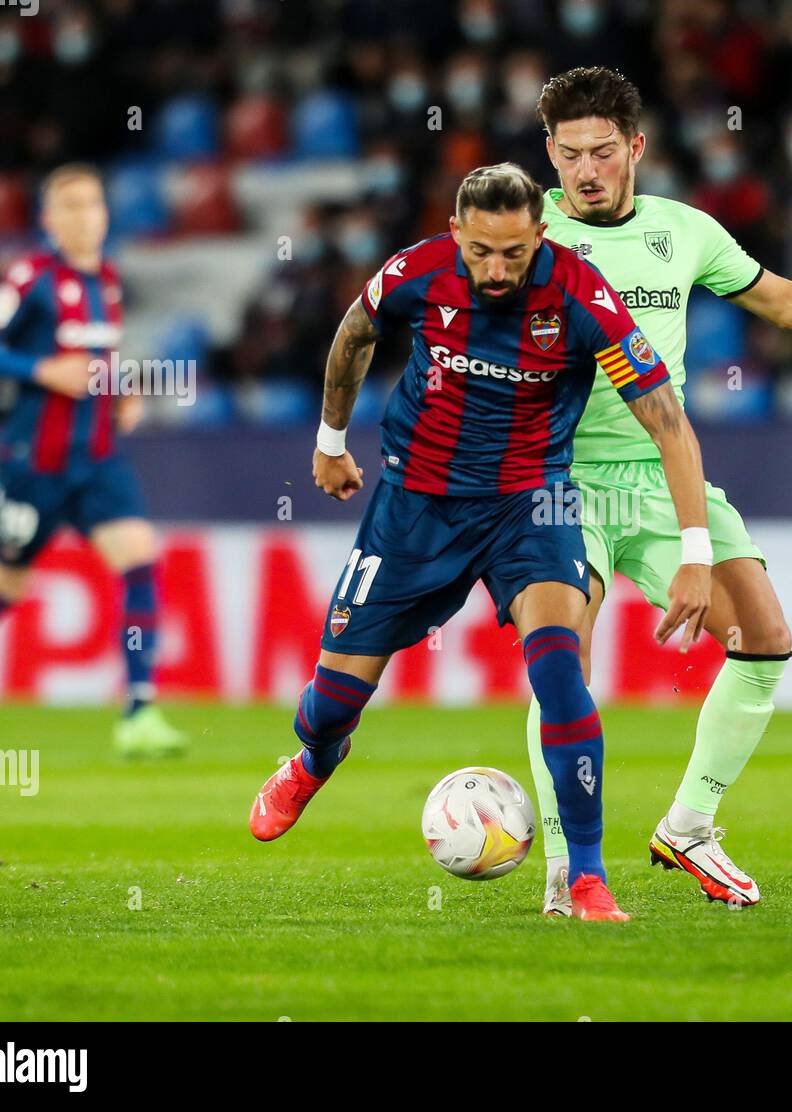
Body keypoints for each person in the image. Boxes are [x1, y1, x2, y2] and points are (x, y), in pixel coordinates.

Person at [529, 67, 792, 914]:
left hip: (664, 473)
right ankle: (564, 864)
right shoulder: (521, 230)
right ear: (549, 153)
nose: (586, 169)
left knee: (764, 637)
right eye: (570, 153)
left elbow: (786, 303)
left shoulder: (685, 232)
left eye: (604, 152)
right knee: (561, 663)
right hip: (555, 482)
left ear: (637, 150)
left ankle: (688, 825)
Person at [246, 163, 714, 923]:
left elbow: (666, 419)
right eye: (481, 252)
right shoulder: (420, 270)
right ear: (458, 232)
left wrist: (696, 554)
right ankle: (312, 760)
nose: (496, 271)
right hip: (416, 506)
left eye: (514, 254)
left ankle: (587, 877)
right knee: (330, 704)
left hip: (533, 501)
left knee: (561, 671)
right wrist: (330, 440)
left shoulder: (581, 295)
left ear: (541, 235)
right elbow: (356, 332)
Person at [0, 164, 184, 759]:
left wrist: (118, 394)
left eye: (93, 204)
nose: (84, 216)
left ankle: (139, 714)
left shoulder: (109, 280)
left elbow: (95, 360)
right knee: (6, 585)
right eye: (69, 207)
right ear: (48, 221)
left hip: (98, 462)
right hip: (35, 466)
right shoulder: (31, 277)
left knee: (140, 562)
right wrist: (40, 369)